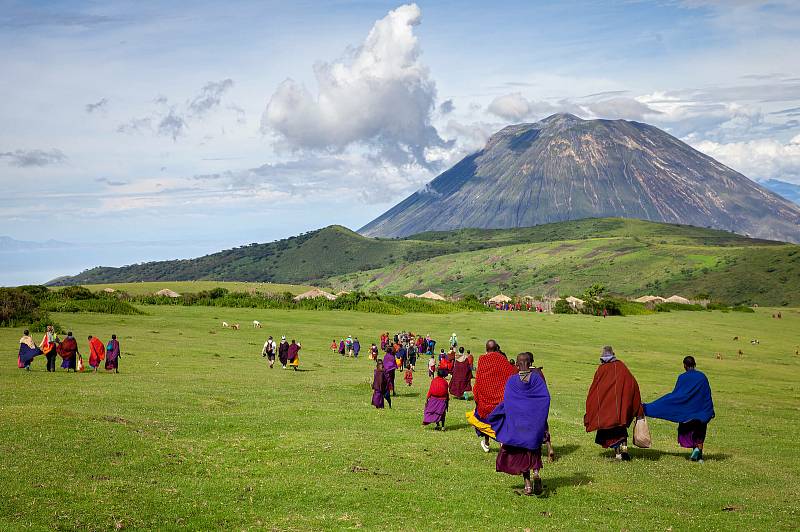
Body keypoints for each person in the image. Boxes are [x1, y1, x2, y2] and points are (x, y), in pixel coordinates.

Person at [487, 352, 551, 496]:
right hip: (533, 424)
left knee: (522, 453)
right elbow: (545, 399)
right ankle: (536, 473)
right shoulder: (537, 379)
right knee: (534, 450)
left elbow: (508, 403)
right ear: (531, 363)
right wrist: (539, 418)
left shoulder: (512, 381)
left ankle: (528, 486)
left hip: (518, 425)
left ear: (517, 365)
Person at [644, 356, 715, 462]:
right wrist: (708, 410)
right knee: (700, 433)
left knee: (689, 430)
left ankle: (695, 450)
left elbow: (678, 395)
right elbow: (706, 394)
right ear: (694, 364)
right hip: (701, 412)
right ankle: (699, 456)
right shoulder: (702, 377)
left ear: (685, 365)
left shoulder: (682, 377)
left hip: (687, 413)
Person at [584, 346, 643, 461]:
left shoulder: (602, 370)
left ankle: (618, 454)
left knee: (612, 433)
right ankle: (625, 451)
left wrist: (593, 405)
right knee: (622, 430)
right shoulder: (621, 367)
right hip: (621, 407)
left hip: (607, 409)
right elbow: (632, 384)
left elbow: (595, 390)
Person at [467, 340, 519, 452]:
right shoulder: (502, 359)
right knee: (501, 421)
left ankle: (487, 443)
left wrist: (477, 394)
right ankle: (501, 442)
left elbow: (479, 380)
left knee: (484, 418)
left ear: (486, 349)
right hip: (500, 401)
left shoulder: (482, 359)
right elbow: (512, 373)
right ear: (496, 349)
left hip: (485, 401)